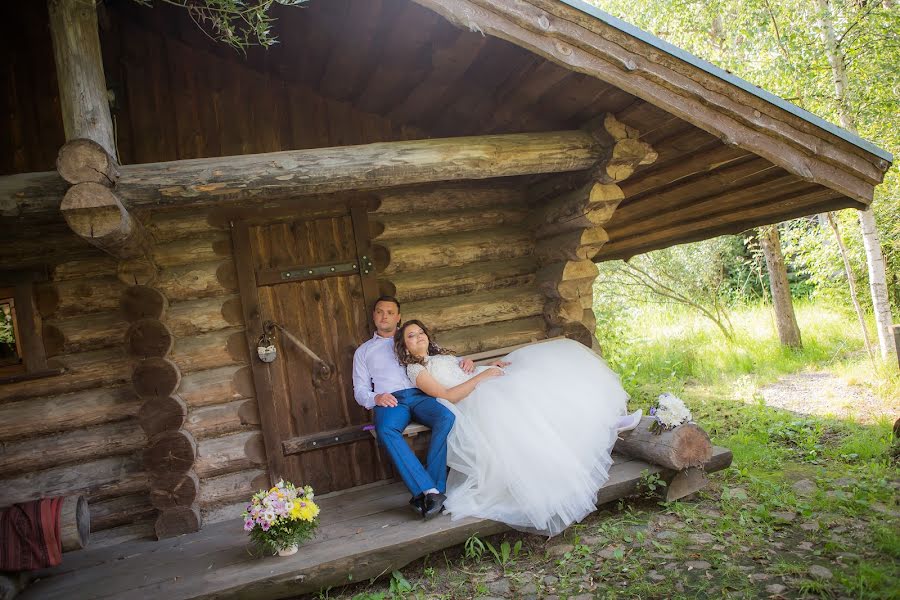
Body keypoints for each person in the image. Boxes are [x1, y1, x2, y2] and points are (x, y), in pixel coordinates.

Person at [394, 319, 642, 536]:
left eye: (420, 332)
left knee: (537, 375)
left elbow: (459, 372)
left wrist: (481, 367)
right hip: (470, 400)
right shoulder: (415, 369)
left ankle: (603, 421)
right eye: (411, 336)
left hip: (479, 383)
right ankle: (602, 427)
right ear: (405, 346)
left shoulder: (438, 357)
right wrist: (481, 377)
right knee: (522, 394)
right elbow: (447, 394)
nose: (418, 337)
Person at [352, 296, 473, 520]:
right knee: (386, 430)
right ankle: (431, 490)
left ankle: (431, 489)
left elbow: (439, 357)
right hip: (391, 400)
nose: (384, 316)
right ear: (373, 316)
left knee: (446, 417)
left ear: (398, 317)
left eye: (390, 312)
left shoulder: (411, 337)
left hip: (422, 395)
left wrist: (465, 360)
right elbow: (359, 389)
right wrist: (376, 397)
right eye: (379, 312)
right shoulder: (363, 351)